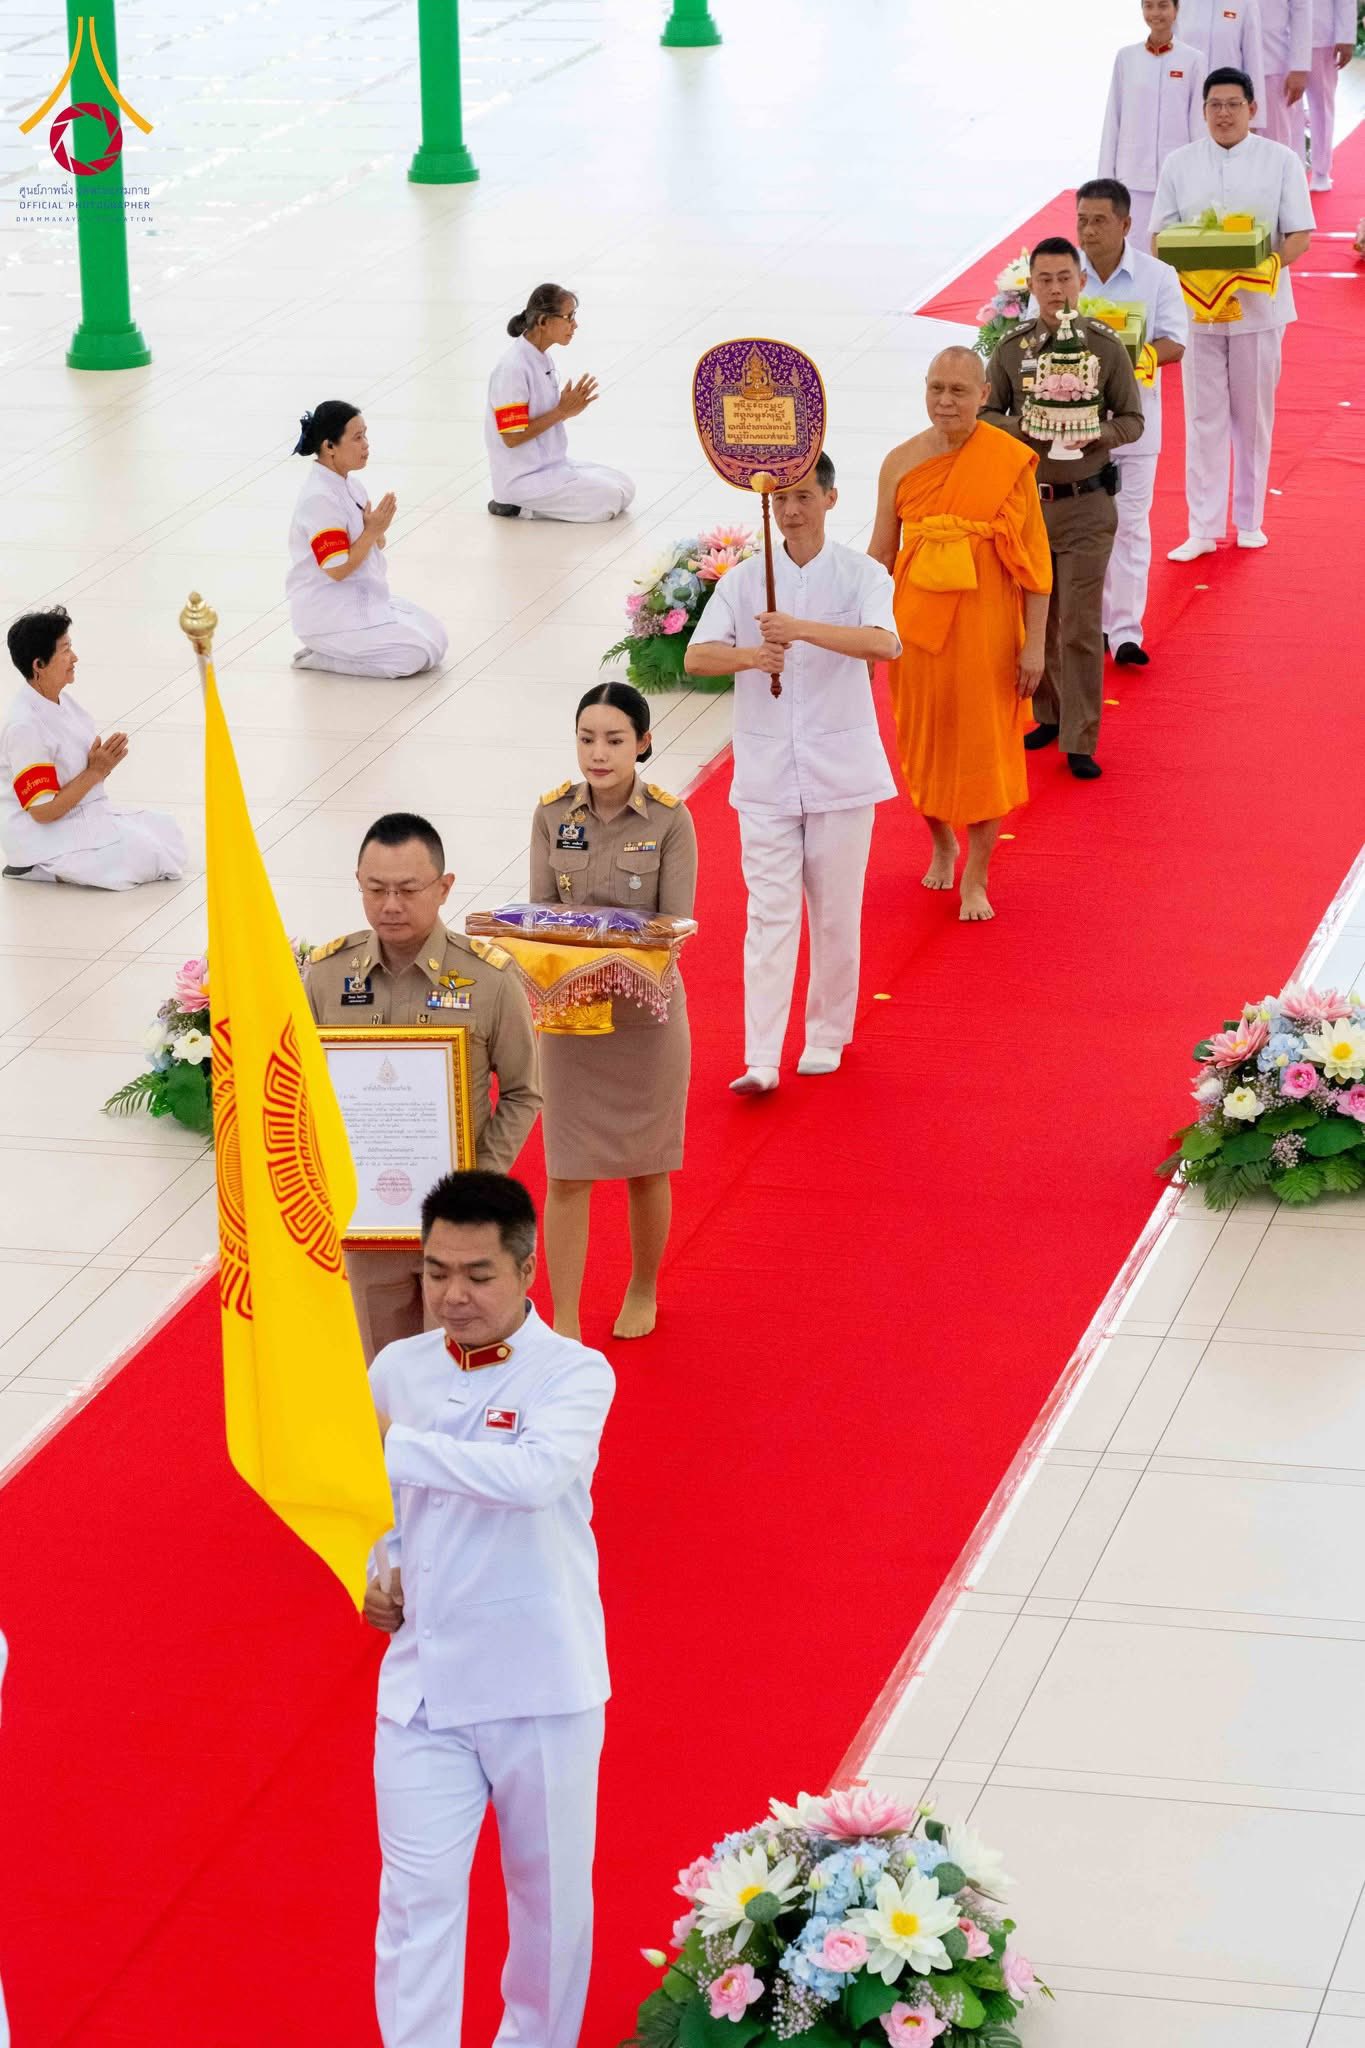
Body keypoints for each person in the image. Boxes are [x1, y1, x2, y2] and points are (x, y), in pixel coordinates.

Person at [365, 1170, 614, 2048]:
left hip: (538, 1684)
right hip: (422, 1689)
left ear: (526, 1268)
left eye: (476, 1274)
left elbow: (536, 1476)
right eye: (436, 1272)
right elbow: (390, 1514)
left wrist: (405, 1447)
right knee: (414, 1900)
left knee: (546, 1906)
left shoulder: (576, 1374)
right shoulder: (397, 1369)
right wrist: (381, 1569)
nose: (452, 1295)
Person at [685, 452, 899, 1084]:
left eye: (805, 497)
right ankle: (760, 1055)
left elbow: (883, 643)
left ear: (832, 499)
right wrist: (753, 656)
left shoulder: (862, 575)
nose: (793, 511)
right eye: (782, 501)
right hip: (766, 772)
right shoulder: (745, 580)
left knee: (836, 912)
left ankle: (827, 1035)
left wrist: (799, 630)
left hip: (841, 771)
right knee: (768, 912)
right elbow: (698, 657)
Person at [305, 812, 541, 1360]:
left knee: (461, 1365)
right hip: (365, 1222)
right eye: (376, 889)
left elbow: (525, 1090)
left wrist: (478, 1180)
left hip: (458, 1227)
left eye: (408, 889)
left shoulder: (489, 979)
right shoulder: (324, 978)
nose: (391, 905)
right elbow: (303, 1090)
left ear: (443, 888)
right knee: (378, 1370)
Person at [530, 683, 695, 1339]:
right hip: (570, 1015)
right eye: (586, 738)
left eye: (614, 740)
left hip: (642, 1015)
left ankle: (643, 1287)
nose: (597, 754)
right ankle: (563, 1317)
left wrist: (604, 948)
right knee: (566, 1172)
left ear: (643, 744)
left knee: (646, 1166)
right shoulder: (551, 814)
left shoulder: (667, 819)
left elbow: (673, 925)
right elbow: (542, 911)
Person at [869, 349, 1051, 923]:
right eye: (936, 389)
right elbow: (881, 553)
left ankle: (977, 871)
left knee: (984, 749)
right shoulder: (900, 462)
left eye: (959, 391)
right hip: (917, 631)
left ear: (985, 395)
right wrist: (864, 633)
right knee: (921, 742)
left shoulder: (1007, 461)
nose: (946, 402)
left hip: (989, 630)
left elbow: (1037, 568)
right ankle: (941, 839)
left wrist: (1036, 646)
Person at [983, 240, 1146, 779]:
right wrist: (1023, 428)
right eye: (1045, 279)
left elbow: (1132, 419)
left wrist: (1097, 434)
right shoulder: (1012, 349)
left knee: (1078, 623)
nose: (1055, 289)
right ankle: (1049, 713)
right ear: (1031, 285)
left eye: (1065, 278)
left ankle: (1080, 736)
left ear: (1081, 282)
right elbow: (986, 414)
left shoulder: (1105, 348)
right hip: (1030, 507)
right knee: (1037, 625)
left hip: (1087, 506)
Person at [1153, 67, 1314, 557]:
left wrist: (1256, 268)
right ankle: (1202, 528)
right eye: (1214, 105)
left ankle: (1249, 519)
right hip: (1198, 313)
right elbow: (1159, 238)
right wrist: (1202, 275)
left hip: (1259, 310)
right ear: (1202, 111)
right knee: (1203, 418)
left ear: (1252, 109)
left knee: (1253, 416)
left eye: (1233, 104)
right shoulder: (1179, 163)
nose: (1223, 113)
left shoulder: (1280, 161)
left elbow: (1299, 236)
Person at [1076, 177, 1190, 664]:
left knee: (1129, 525)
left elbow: (1175, 343)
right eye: (1082, 220)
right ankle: (1090, 625)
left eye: (1099, 221)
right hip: (1072, 427)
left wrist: (1128, 355)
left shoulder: (1158, 275)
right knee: (1083, 526)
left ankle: (1125, 632)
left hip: (1134, 424)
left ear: (1126, 224)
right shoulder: (1066, 276)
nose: (1088, 231)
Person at [1, 607, 186, 888]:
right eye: (65, 651)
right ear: (39, 665)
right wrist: (96, 771)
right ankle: (33, 867)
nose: (74, 658)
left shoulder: (64, 703)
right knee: (148, 856)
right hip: (43, 835)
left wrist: (101, 766)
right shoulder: (25, 727)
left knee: (166, 831)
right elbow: (42, 812)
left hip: (79, 812)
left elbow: (79, 771)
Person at [287, 401, 447, 678]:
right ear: (329, 446)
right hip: (329, 616)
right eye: (357, 438)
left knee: (437, 638)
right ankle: (321, 658)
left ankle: (348, 644)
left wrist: (377, 530)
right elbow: (337, 569)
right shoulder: (319, 499)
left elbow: (376, 544)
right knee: (413, 656)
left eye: (366, 435)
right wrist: (372, 531)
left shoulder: (351, 485)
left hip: (361, 598)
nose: (366, 445)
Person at [485, 283, 635, 522]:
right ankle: (516, 505)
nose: (574, 325)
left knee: (624, 485)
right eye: (568, 317)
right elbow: (511, 438)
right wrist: (561, 412)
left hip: (551, 467)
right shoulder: (513, 369)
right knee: (610, 499)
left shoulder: (542, 357)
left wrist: (566, 411)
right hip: (522, 479)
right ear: (543, 322)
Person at [1098, 0, 1207, 246]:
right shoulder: (1127, 58)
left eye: (1163, 6)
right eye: (1149, 6)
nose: (1155, 13)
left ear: (1177, 10)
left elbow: (1198, 125)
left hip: (1177, 179)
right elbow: (1113, 118)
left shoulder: (1193, 60)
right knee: (1134, 251)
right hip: (1132, 177)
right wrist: (1106, 179)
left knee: (1172, 253)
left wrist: (1199, 176)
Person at [1294, 0, 1355, 189]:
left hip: (1321, 36)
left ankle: (1321, 171)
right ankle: (1293, 169)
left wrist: (1345, 36)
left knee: (1322, 104)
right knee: (1288, 110)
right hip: (1284, 39)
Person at [1178, 0, 1268, 121]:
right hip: (1186, 105)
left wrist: (1254, 121)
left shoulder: (1245, 4)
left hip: (1229, 108)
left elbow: (1253, 62)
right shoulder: (1180, 4)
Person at [1258, 0, 1312, 144]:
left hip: (1273, 63)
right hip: (1229, 61)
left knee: (1276, 139)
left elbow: (1302, 10)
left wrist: (1299, 67)